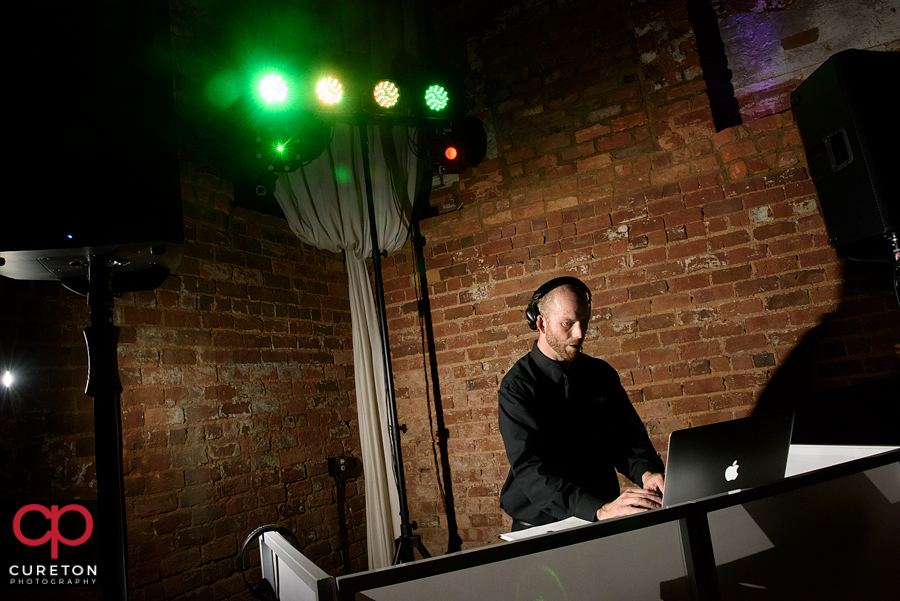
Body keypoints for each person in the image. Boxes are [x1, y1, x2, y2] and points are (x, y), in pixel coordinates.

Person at [498, 276, 665, 531]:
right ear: (540, 323)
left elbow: (628, 439)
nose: (579, 333)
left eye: (583, 322)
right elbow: (533, 471)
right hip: (541, 526)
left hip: (602, 515)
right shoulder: (517, 387)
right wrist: (596, 509)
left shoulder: (601, 374)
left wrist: (647, 473)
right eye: (568, 323)